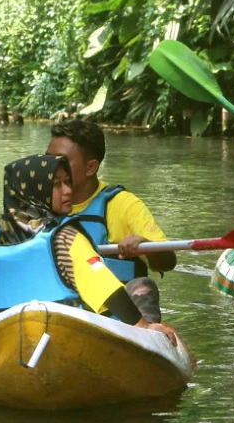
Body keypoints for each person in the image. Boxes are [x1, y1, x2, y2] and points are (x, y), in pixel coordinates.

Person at [0, 154, 180, 360]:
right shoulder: (63, 237)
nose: (68, 191)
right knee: (138, 291)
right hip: (62, 338)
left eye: (67, 182)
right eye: (57, 185)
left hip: (3, 341)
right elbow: (101, 285)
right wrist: (144, 328)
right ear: (36, 190)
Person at [45, 118, 174, 324]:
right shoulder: (37, 205)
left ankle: (148, 336)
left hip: (118, 316)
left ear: (91, 167)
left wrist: (146, 246)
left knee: (143, 285)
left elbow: (168, 261)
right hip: (63, 308)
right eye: (48, 158)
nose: (51, 167)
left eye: (62, 160)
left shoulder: (123, 204)